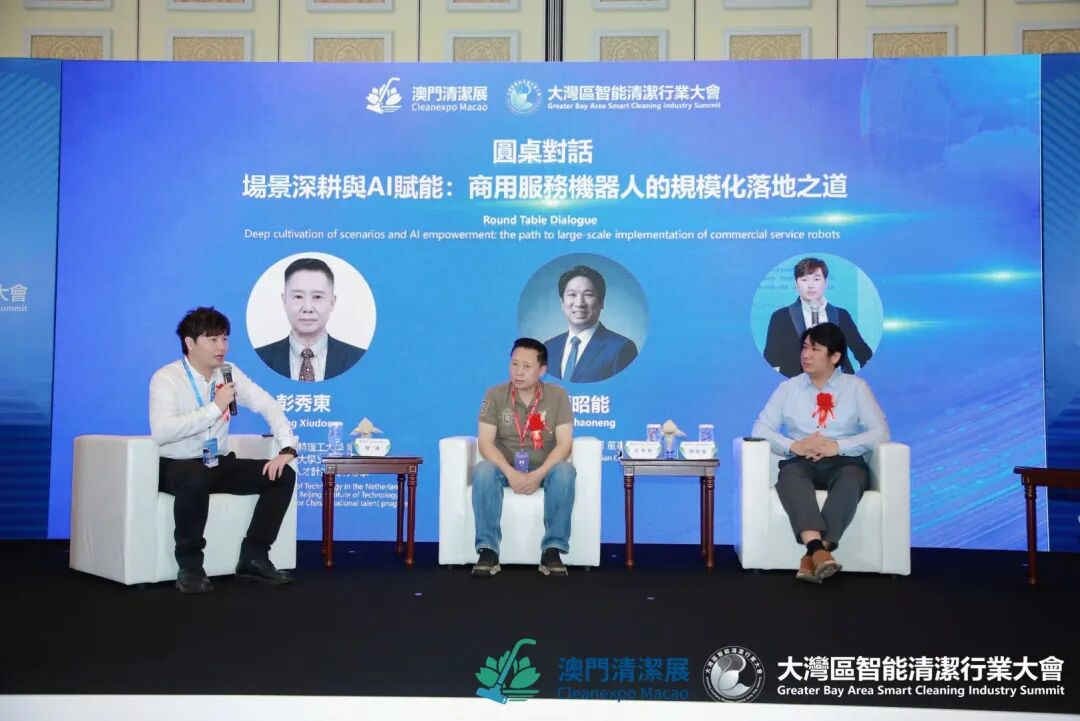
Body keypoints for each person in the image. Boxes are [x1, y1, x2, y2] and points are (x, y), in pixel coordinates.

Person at [150, 307, 299, 593]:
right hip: (175, 464)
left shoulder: (228, 373)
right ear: (190, 342)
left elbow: (267, 404)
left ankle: (254, 557)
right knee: (194, 477)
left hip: (216, 462)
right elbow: (162, 431)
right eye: (213, 340)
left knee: (282, 476)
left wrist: (286, 447)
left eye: (225, 339)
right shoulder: (166, 378)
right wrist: (214, 409)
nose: (222, 347)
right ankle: (190, 567)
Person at [751, 322, 889, 583]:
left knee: (851, 480)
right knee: (790, 477)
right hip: (801, 461)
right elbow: (760, 428)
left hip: (845, 462)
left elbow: (880, 432)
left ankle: (812, 555)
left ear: (835, 357)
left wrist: (837, 446)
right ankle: (818, 551)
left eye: (815, 349)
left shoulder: (855, 387)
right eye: (804, 348)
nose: (806, 355)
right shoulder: (788, 388)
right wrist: (794, 446)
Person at [472, 338, 576, 577]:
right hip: (505, 467)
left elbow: (564, 444)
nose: (518, 372)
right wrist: (510, 473)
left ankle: (552, 549)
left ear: (542, 370)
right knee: (483, 470)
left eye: (527, 367)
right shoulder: (495, 395)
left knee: (565, 471)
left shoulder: (558, 395)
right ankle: (488, 549)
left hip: (544, 467)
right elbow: (485, 442)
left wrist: (538, 475)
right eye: (514, 364)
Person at [255, 258, 366, 381]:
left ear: (332, 302)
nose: (307, 308)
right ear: (284, 300)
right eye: (298, 296)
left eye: (317, 297)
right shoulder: (259, 359)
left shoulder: (358, 359)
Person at [763, 257, 873, 378]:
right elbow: (771, 359)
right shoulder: (781, 317)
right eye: (804, 279)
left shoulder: (841, 314)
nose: (811, 285)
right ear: (796, 284)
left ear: (825, 282)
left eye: (816, 279)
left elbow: (862, 352)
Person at [544, 264, 638, 383]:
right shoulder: (549, 347)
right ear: (562, 302)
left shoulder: (621, 348)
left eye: (588, 295)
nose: (579, 303)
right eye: (572, 294)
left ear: (601, 302)